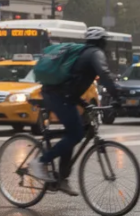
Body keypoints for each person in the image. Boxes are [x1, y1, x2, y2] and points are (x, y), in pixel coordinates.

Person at [30, 27, 120, 195]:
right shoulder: (95, 53)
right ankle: (40, 162)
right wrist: (117, 96)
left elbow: (73, 81)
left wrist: (82, 102)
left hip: (60, 95)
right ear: (102, 41)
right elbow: (105, 75)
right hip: (57, 96)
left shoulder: (83, 53)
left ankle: (61, 178)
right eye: (105, 41)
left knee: (74, 133)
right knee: (75, 134)